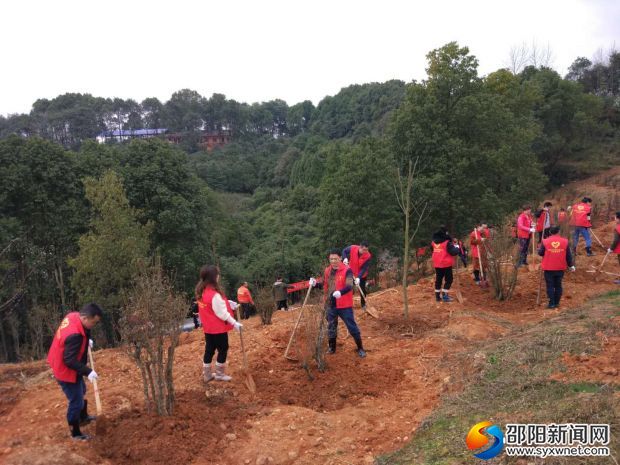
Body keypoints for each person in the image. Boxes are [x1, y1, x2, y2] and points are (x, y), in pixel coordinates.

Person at [47, 303, 103, 440]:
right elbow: (69, 360)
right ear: (85, 318)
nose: (94, 325)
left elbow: (81, 333)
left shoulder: (73, 316)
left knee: (82, 389)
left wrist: (86, 339)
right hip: (65, 370)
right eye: (93, 322)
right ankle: (75, 432)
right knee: (76, 400)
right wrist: (88, 371)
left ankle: (83, 417)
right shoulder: (75, 335)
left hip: (63, 360)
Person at [309, 249, 366, 358]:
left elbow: (349, 285)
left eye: (335, 258)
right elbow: (324, 283)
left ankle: (360, 348)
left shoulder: (347, 270)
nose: (333, 261)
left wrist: (340, 292)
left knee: (351, 326)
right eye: (331, 259)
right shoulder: (327, 270)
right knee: (331, 326)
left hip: (344, 305)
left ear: (340, 258)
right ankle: (332, 348)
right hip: (331, 304)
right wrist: (315, 284)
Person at [195, 265, 243, 383]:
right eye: (217, 274)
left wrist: (228, 303)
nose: (219, 276)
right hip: (218, 329)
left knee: (209, 350)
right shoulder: (214, 295)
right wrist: (235, 323)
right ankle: (219, 374)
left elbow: (213, 307)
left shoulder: (202, 291)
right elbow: (222, 313)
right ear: (213, 277)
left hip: (208, 328)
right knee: (223, 348)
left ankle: (207, 375)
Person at [538, 226, 575, 308]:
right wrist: (571, 265)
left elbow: (540, 253)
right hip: (560, 267)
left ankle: (551, 303)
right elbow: (568, 256)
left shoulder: (545, 241)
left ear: (550, 232)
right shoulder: (565, 241)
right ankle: (557, 302)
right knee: (558, 285)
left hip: (548, 267)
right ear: (558, 231)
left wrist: (539, 250)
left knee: (550, 285)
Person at [431, 227, 461, 302]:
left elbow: (433, 250)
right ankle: (445, 295)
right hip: (446, 264)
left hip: (437, 264)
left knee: (438, 280)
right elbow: (453, 252)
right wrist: (457, 247)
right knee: (449, 279)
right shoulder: (446, 243)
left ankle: (437, 297)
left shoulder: (433, 243)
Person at [342, 241, 372, 310]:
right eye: (364, 250)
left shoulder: (368, 256)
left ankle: (363, 304)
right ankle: (347, 304)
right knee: (348, 287)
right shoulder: (353, 248)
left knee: (362, 289)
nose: (366, 251)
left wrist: (358, 277)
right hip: (351, 272)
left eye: (367, 250)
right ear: (360, 247)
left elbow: (364, 268)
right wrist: (345, 258)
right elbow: (344, 251)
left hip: (362, 275)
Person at [608, 211, 620, 285]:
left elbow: (616, 240)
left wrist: (611, 249)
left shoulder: (618, 228)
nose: (615, 219)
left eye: (615, 217)